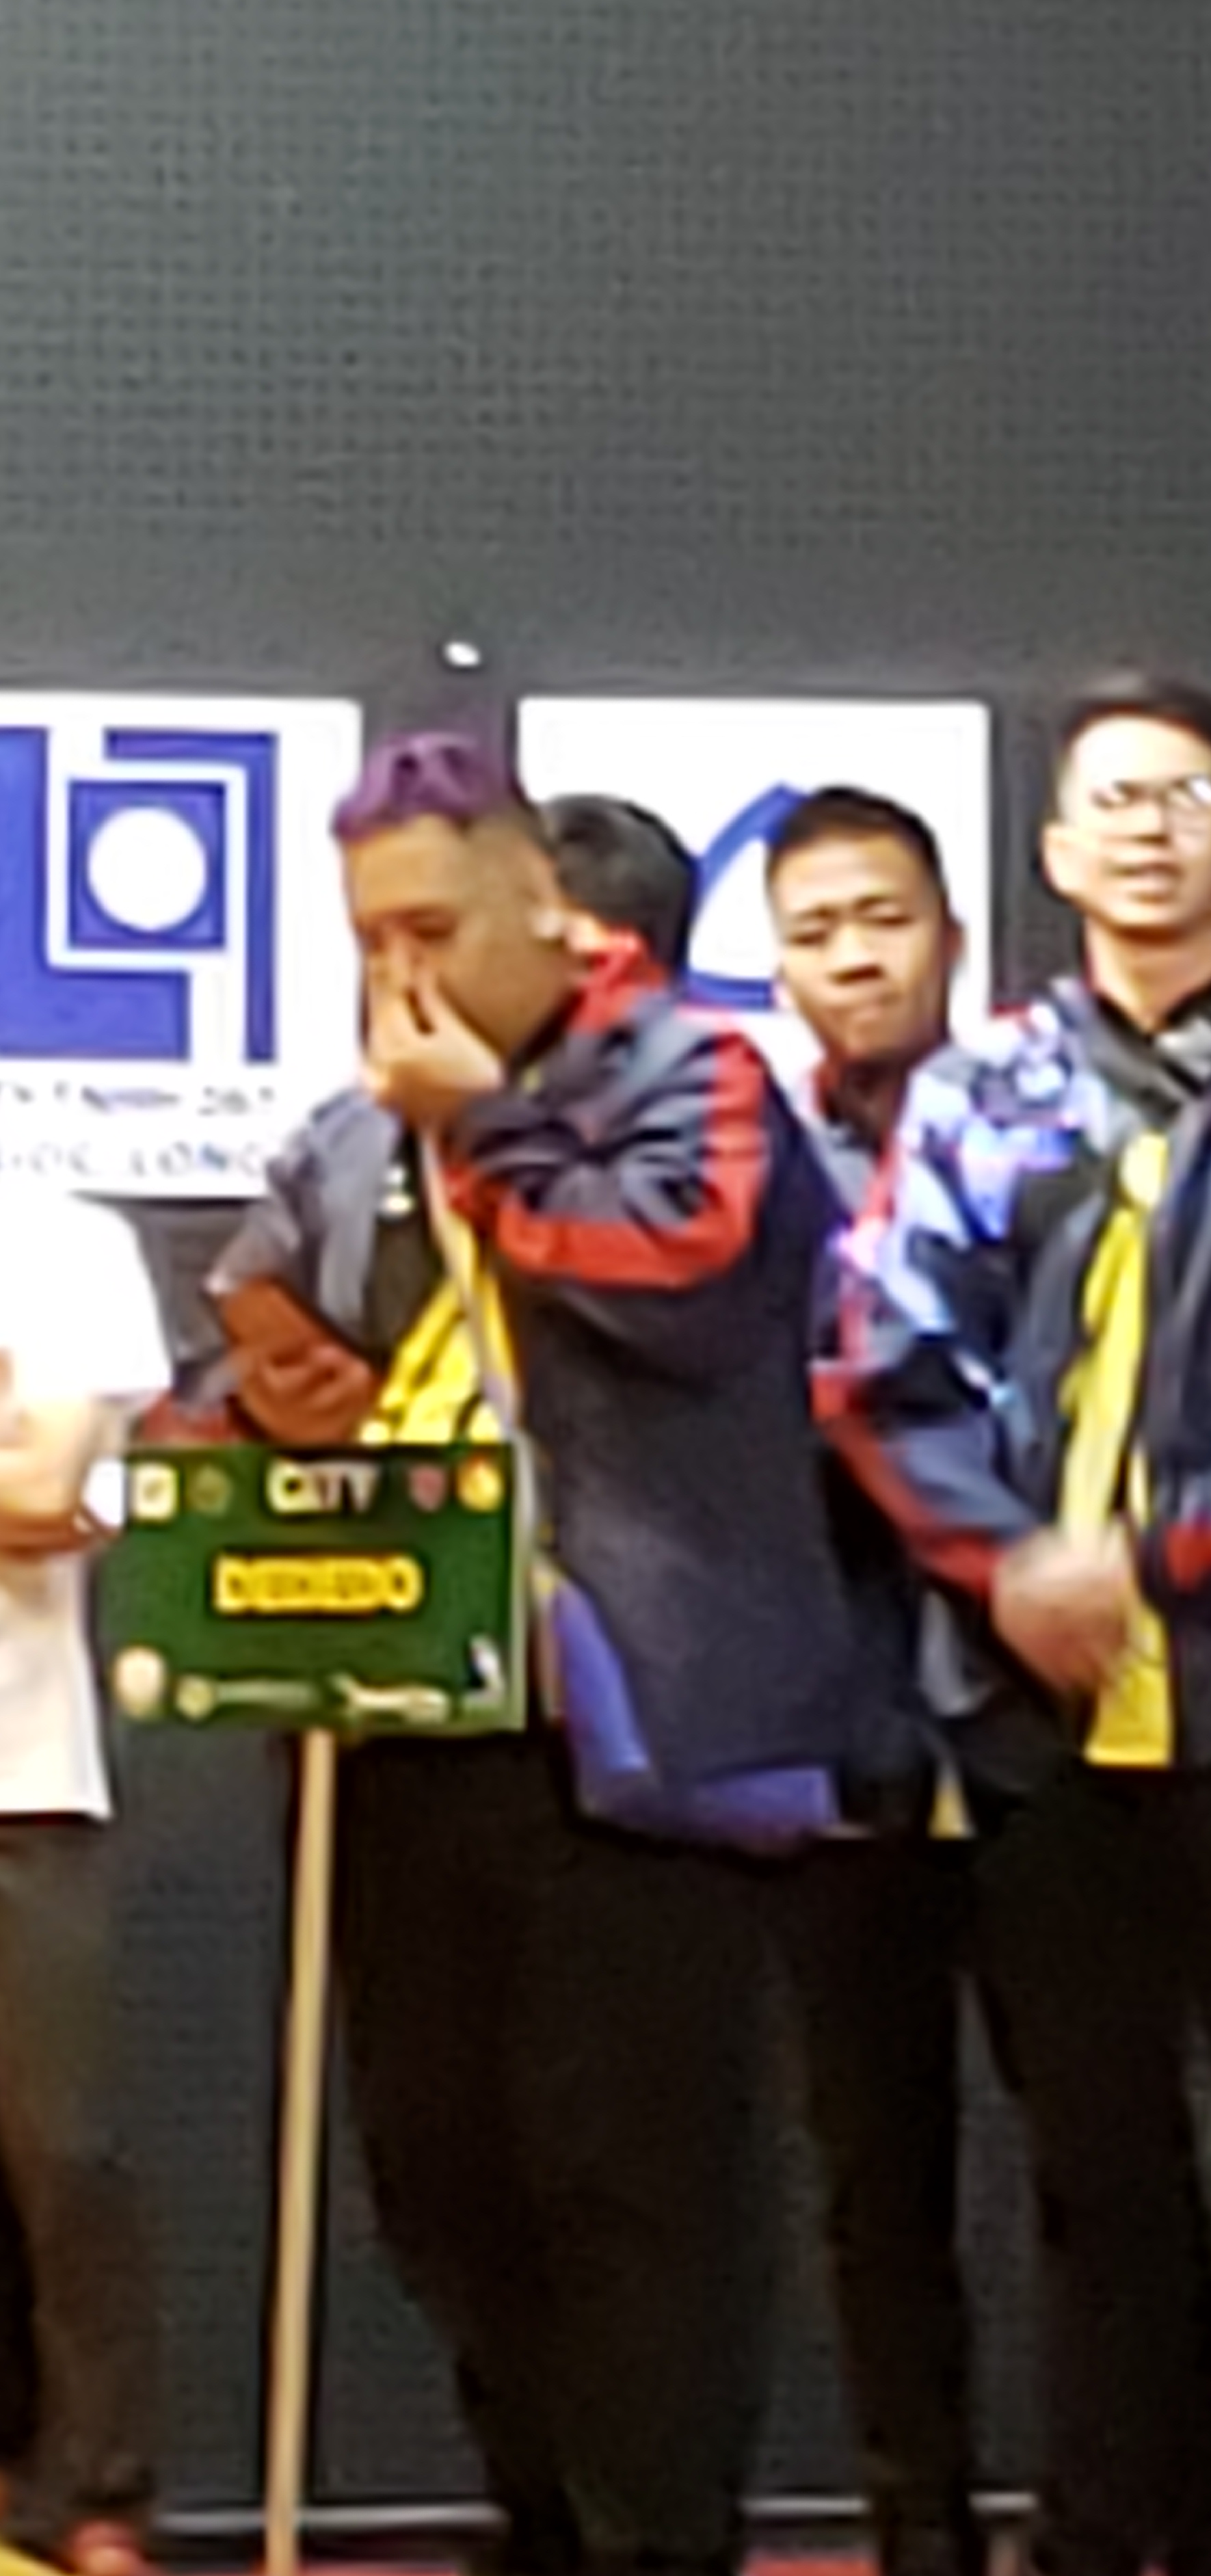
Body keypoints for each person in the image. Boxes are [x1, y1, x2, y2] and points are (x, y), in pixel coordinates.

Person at [823, 678, 1211, 2576]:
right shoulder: (987, 1088)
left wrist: (1154, 1561)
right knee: (1096, 2166)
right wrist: (1015, 1565)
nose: (1151, 828)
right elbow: (882, 1365)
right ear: (1055, 848)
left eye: (1187, 796)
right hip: (1035, 1701)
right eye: (1114, 798)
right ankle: (1138, 2534)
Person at [215, 745, 841, 2576]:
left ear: (540, 910)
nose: (397, 974)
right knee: (441, 2174)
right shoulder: (354, 1129)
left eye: (430, 928)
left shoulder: (694, 1074)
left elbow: (687, 1275)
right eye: (367, 940)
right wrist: (265, 1393)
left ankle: (660, 2545)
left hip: (627, 1732)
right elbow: (254, 1316)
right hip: (403, 1721)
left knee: (632, 2188)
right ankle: (538, 2524)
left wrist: (483, 1131)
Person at [761, 785, 984, 2576]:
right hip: (838, 1731)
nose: (855, 957)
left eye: (884, 918)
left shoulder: (1041, 1136)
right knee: (874, 2179)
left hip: (1051, 1711)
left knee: (1107, 2165)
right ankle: (922, 2530)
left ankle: (1136, 2521)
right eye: (817, 931)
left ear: (953, 937)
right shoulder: (746, 1166)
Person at [0, 1186, 168, 2576]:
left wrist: (27, 1476)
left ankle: (92, 2488)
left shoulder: (65, 1247)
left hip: (26, 1777)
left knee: (63, 2153)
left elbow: (48, 1500)